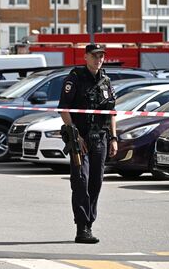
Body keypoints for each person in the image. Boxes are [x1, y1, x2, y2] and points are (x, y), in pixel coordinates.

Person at [58, 43, 117, 244]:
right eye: (95, 55)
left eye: (101, 56)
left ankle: (89, 224)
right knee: (81, 182)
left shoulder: (106, 81)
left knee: (96, 183)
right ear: (85, 57)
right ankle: (81, 228)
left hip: (99, 139)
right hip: (79, 141)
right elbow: (64, 109)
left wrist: (114, 138)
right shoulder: (75, 78)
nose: (99, 59)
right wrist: (75, 134)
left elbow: (111, 113)